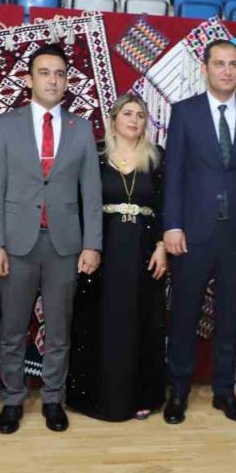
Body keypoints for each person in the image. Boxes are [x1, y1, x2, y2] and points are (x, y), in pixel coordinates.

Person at [0, 44, 102, 435]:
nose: (53, 80)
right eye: (45, 72)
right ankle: (13, 400)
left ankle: (53, 399)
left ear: (67, 82)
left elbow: (92, 192)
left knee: (59, 329)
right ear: (29, 79)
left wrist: (92, 244)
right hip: (17, 244)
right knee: (12, 329)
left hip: (65, 245)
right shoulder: (5, 125)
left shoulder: (80, 128)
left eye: (60, 74)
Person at [163, 39, 236, 424]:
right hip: (192, 233)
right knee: (184, 315)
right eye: (219, 64)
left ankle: (224, 392)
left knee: (229, 316)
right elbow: (172, 173)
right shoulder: (185, 113)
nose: (227, 71)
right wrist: (172, 225)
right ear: (205, 68)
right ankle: (177, 391)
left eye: (233, 65)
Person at [67, 93, 168, 422]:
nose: (134, 120)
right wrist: (86, 245)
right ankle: (96, 399)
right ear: (113, 119)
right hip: (103, 248)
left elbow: (166, 205)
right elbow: (81, 202)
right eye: (128, 113)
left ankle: (140, 396)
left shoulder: (156, 157)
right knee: (100, 320)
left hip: (143, 249)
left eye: (140, 115)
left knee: (141, 321)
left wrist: (162, 246)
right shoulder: (96, 156)